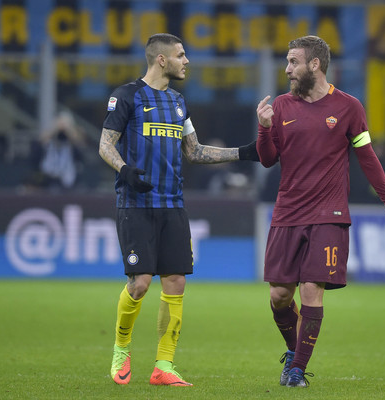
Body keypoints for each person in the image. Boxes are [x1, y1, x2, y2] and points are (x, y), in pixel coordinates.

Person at [98, 33, 259, 387]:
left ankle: (164, 366)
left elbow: (194, 151)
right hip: (136, 204)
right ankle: (121, 349)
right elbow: (105, 145)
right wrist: (124, 170)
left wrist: (244, 153)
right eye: (181, 55)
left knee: (176, 282)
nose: (187, 61)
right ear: (161, 59)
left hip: (173, 205)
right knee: (140, 284)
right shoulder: (126, 96)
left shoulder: (178, 102)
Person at [255, 35, 385, 388]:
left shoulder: (349, 107)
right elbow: (267, 159)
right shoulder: (281, 106)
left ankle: (297, 371)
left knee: (312, 289)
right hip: (288, 212)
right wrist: (264, 129)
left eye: (293, 62)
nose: (287, 69)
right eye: (287, 61)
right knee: (280, 296)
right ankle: (294, 353)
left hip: (329, 215)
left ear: (315, 64)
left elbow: (367, 157)